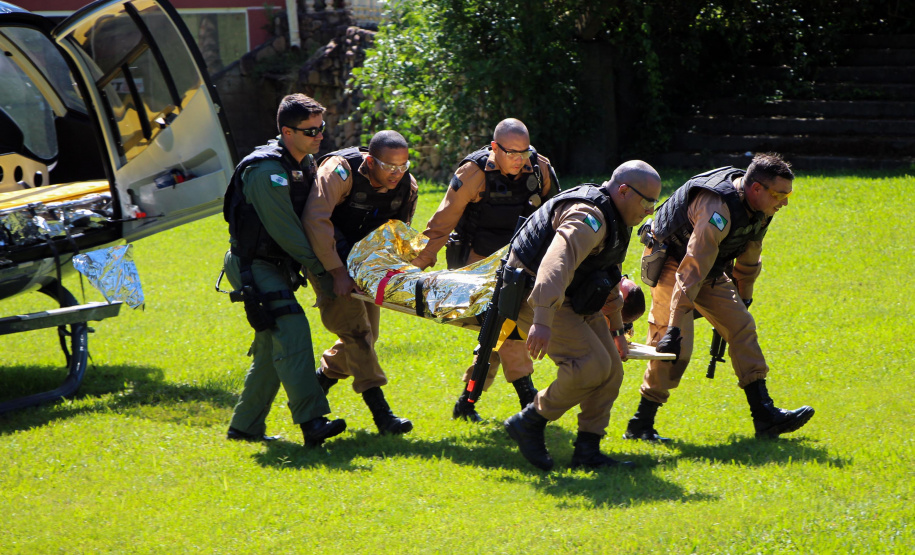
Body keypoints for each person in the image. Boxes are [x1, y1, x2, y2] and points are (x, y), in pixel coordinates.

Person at [624, 153, 814, 442]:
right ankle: (640, 424)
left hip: (709, 266)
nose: (785, 202)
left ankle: (764, 416)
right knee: (675, 348)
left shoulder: (762, 208)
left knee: (741, 327)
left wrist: (742, 300)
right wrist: (674, 328)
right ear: (756, 189)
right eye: (780, 194)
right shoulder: (717, 210)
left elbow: (750, 255)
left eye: (788, 195)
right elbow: (691, 269)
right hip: (671, 262)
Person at [502, 160, 662, 471]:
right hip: (535, 297)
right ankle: (529, 421)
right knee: (590, 366)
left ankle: (587, 451)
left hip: (575, 297)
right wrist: (542, 320)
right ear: (624, 191)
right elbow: (555, 265)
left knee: (611, 369)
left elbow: (608, 276)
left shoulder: (617, 217)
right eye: (648, 202)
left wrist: (617, 333)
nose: (650, 211)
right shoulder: (588, 217)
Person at [410, 118, 561, 421]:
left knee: (494, 335)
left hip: (521, 262)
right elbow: (440, 224)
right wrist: (413, 267)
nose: (520, 160)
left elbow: (560, 213)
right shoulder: (473, 172)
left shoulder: (540, 168)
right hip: (475, 265)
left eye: (525, 152)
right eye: (512, 153)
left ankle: (466, 404)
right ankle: (530, 408)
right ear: (495, 148)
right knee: (508, 329)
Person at [221, 93, 346, 448]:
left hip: (277, 265)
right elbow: (287, 231)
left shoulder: (305, 162)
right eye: (311, 131)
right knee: (291, 330)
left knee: (269, 352)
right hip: (254, 266)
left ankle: (244, 428)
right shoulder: (266, 171)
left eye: (322, 128)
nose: (319, 136)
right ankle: (312, 422)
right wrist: (325, 270)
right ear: (286, 132)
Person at [303, 130, 418, 435]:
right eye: (389, 167)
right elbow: (315, 221)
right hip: (326, 258)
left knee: (369, 334)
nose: (397, 174)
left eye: (403, 167)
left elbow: (399, 233)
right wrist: (338, 272)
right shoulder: (340, 172)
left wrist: (396, 272)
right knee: (357, 334)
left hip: (365, 266)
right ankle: (383, 416)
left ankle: (315, 387)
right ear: (369, 161)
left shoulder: (407, 185)